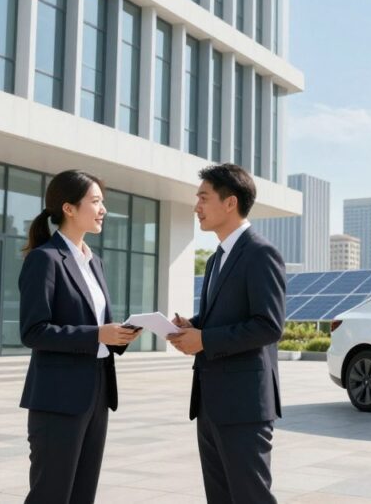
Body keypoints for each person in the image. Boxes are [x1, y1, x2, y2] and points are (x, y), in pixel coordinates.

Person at [18, 169, 142, 504]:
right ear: (69, 208)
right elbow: (33, 331)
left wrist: (116, 335)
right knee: (51, 494)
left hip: (97, 391)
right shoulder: (44, 259)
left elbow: (96, 323)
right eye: (96, 201)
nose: (103, 210)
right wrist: (97, 334)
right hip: (58, 398)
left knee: (83, 493)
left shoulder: (94, 261)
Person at [169, 163, 286, 504]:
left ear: (230, 203)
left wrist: (203, 340)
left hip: (244, 404)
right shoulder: (216, 259)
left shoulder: (261, 253)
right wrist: (194, 325)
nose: (196, 207)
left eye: (203, 198)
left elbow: (269, 325)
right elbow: (223, 315)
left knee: (250, 496)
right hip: (211, 402)